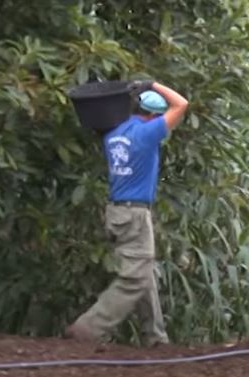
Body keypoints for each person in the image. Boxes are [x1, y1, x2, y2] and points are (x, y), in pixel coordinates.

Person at [65, 80, 189, 347]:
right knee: (134, 278)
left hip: (116, 213)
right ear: (154, 116)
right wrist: (154, 83)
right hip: (134, 215)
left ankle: (155, 337)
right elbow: (182, 104)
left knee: (143, 272)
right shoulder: (148, 134)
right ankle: (89, 327)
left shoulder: (114, 133)